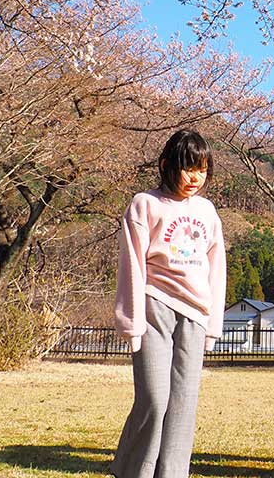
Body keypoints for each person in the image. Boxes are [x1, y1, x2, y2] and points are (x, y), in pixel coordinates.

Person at [111, 129, 227, 478]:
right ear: (166, 166)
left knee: (182, 406)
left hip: (194, 313)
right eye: (188, 167)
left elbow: (216, 269)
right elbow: (131, 265)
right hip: (154, 306)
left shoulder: (207, 211)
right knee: (155, 399)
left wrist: (213, 326)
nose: (195, 177)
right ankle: (133, 472)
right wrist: (131, 323)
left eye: (203, 169)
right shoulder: (144, 204)